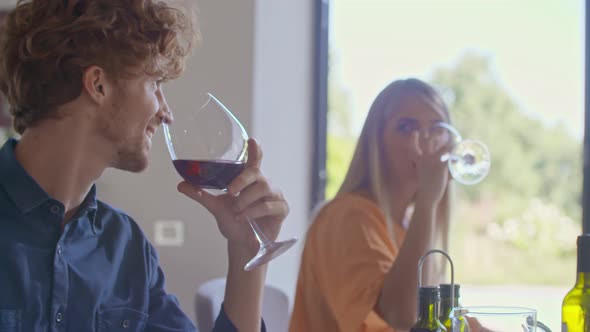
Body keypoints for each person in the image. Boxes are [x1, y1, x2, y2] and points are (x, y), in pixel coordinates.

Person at [0, 1, 289, 331]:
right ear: (98, 85)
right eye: (155, 84)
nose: (166, 112)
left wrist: (246, 252)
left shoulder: (126, 249)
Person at [289, 78, 452, 332]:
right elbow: (404, 318)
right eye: (406, 127)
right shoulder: (347, 217)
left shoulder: (407, 226)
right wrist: (427, 203)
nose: (423, 142)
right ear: (376, 142)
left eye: (437, 128)